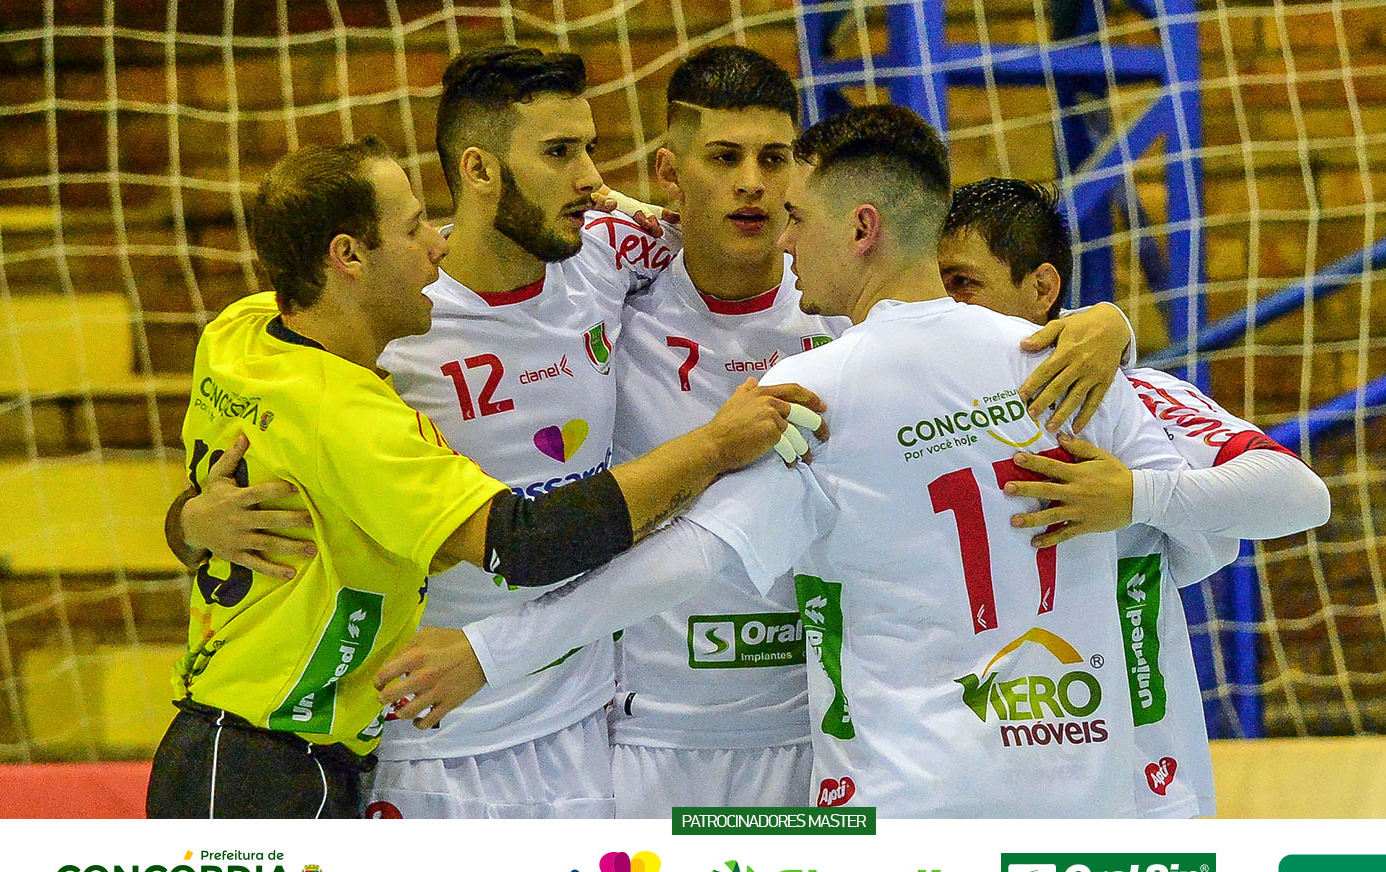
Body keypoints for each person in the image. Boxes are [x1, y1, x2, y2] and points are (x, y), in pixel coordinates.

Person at [381, 105, 1234, 817]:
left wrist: (491, 650)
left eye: (798, 216)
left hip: (902, 803)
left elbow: (685, 557)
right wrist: (1123, 365)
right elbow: (1261, 510)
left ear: (861, 228)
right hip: (1078, 794)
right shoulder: (1062, 358)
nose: (785, 240)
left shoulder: (823, 382)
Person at [166, 48, 818, 820]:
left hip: (579, 730)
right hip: (423, 730)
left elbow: (722, 227)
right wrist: (190, 521)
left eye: (589, 149)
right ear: (478, 169)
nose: (590, 178)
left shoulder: (608, 254)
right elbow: (260, 457)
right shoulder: (385, 318)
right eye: (559, 152)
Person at [154, 135, 632, 817]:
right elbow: (523, 541)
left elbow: (244, 468)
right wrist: (711, 448)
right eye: (413, 228)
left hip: (254, 749)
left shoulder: (240, 331)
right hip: (261, 769)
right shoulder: (349, 417)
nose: (437, 244)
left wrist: (188, 520)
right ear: (347, 255)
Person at [940, 177, 1331, 815]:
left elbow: (1301, 494)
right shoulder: (905, 415)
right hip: (972, 774)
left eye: (963, 283)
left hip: (1137, 778)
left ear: (1041, 289)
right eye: (935, 287)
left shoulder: (1131, 398)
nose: (945, 306)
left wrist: (1135, 497)